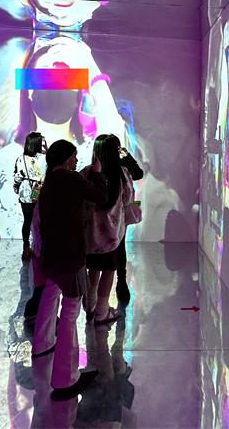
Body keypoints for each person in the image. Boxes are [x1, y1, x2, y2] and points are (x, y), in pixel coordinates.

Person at [32, 139, 107, 401]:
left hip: (52, 252)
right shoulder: (70, 179)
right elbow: (101, 197)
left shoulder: (50, 180)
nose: (76, 161)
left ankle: (41, 343)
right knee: (70, 310)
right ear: (65, 159)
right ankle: (66, 378)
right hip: (70, 253)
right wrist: (97, 174)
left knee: (50, 294)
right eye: (74, 157)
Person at [83, 135, 136, 324]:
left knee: (93, 269)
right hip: (113, 234)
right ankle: (102, 312)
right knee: (108, 271)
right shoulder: (121, 174)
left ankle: (90, 305)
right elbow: (128, 198)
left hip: (91, 234)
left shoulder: (87, 172)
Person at [115, 142, 143, 304]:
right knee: (118, 247)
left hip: (118, 213)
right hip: (113, 212)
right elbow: (138, 174)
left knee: (119, 246)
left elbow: (138, 174)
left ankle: (120, 281)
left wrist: (127, 157)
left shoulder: (121, 164)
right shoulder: (105, 165)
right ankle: (119, 282)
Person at [15, 131, 46, 261]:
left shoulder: (21, 158)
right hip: (39, 190)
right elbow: (44, 176)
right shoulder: (44, 159)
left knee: (27, 220)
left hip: (25, 191)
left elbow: (17, 177)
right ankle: (41, 248)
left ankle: (26, 247)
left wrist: (17, 188)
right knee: (41, 221)